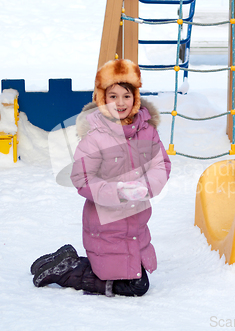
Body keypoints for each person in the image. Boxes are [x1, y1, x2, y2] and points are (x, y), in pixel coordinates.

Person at [31, 59, 171, 297]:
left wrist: (145, 187)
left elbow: (161, 164)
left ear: (135, 97)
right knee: (136, 285)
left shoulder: (147, 130)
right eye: (113, 96)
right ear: (102, 98)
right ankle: (65, 271)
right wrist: (117, 192)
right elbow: (82, 178)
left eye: (126, 96)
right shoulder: (96, 136)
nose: (120, 103)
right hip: (107, 224)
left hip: (136, 222)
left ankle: (68, 260)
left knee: (130, 273)